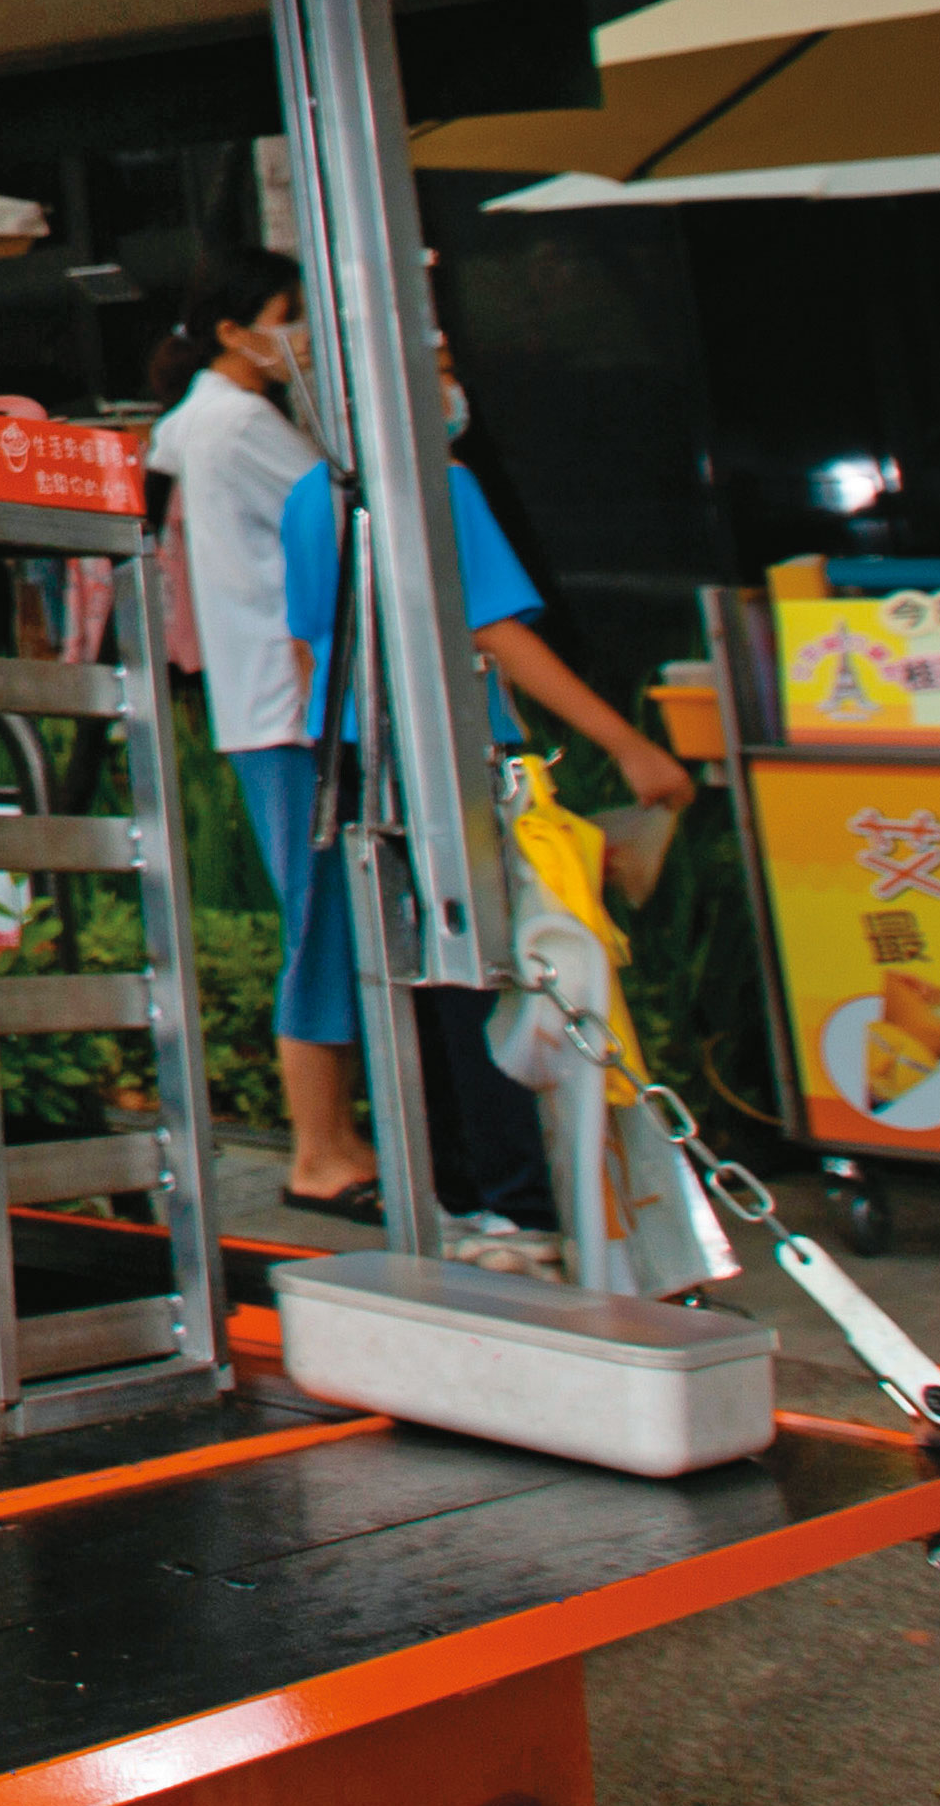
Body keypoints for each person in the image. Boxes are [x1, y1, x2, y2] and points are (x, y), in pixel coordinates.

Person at [275, 353, 701, 1261]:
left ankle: (464, 1194)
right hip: (447, 752)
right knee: (489, 972)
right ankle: (524, 1202)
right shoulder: (439, 486)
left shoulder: (309, 497)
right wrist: (629, 745)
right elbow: (497, 632)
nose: (451, 383)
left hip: (348, 756)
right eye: (430, 366)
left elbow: (307, 649)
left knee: (416, 982)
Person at [139, 258, 366, 1217]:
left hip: (258, 700)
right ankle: (321, 1151)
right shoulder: (242, 425)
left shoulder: (188, 424)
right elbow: (350, 513)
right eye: (290, 316)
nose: (302, 334)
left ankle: (336, 1141)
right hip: (294, 700)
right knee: (321, 925)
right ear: (235, 331)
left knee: (316, 917)